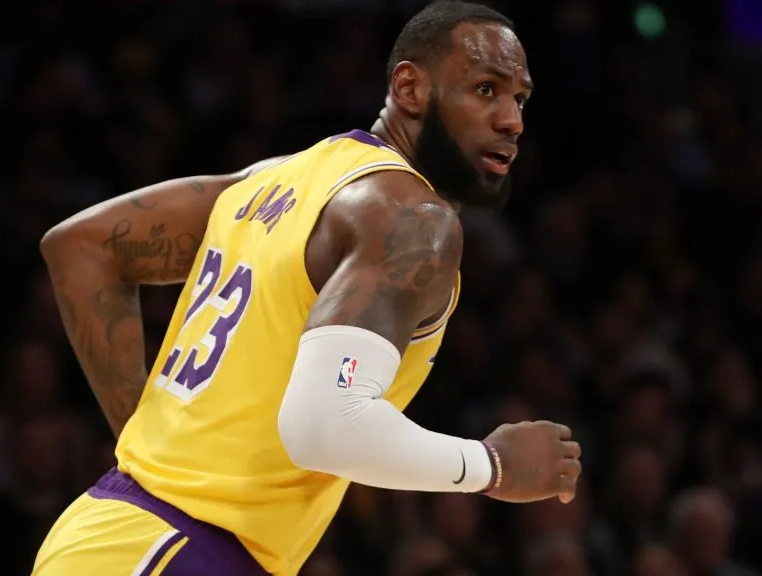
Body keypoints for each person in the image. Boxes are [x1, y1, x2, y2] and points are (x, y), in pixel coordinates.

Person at [33, 2, 582, 575]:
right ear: (410, 88)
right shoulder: (413, 218)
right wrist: (491, 465)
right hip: (177, 549)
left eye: (520, 98)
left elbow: (85, 245)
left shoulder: (273, 180)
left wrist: (148, 452)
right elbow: (325, 425)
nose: (512, 120)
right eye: (486, 89)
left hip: (120, 529)